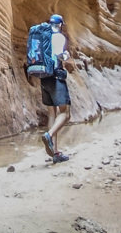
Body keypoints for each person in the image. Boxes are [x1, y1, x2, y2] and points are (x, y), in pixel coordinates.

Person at [39, 13, 73, 163]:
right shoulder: (59, 37)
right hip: (56, 78)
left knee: (52, 113)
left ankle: (55, 153)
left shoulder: (41, 37)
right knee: (65, 113)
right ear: (60, 25)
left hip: (43, 78)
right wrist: (66, 55)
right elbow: (59, 55)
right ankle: (49, 135)